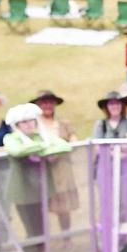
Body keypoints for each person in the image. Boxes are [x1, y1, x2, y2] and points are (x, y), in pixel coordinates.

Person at [2, 103, 72, 252]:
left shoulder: (40, 137)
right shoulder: (12, 138)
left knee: (41, 229)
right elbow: (17, 151)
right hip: (23, 194)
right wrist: (44, 148)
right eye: (24, 122)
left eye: (31, 121)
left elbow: (64, 146)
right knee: (32, 231)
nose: (28, 125)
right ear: (17, 125)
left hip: (41, 191)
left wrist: (41, 147)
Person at [31, 90, 79, 232]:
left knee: (63, 207)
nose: (47, 105)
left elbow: (74, 139)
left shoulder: (63, 123)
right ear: (38, 104)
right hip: (42, 169)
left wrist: (68, 144)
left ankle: (66, 236)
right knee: (42, 205)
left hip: (62, 169)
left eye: (50, 102)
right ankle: (44, 240)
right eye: (44, 102)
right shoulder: (33, 125)